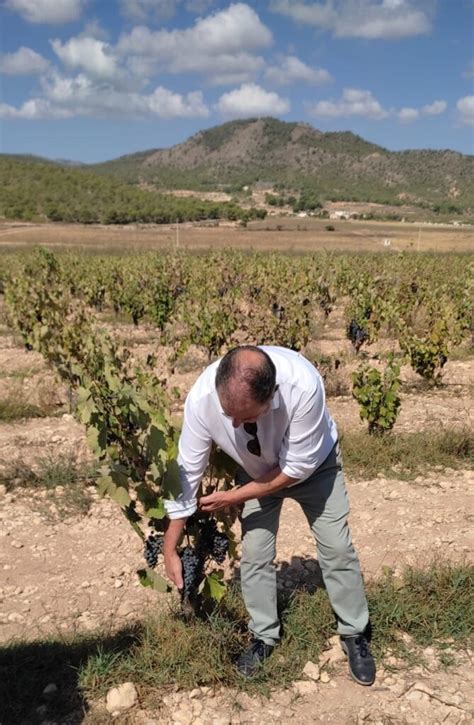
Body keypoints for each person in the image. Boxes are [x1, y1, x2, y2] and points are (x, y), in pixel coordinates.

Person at [163, 345, 376, 685]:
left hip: (315, 467)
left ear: (272, 395)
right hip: (255, 469)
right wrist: (170, 545)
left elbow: (296, 468)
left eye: (245, 418)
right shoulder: (203, 396)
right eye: (227, 413)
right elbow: (187, 472)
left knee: (336, 548)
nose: (233, 423)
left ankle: (355, 633)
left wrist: (234, 496)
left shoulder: (303, 386)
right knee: (255, 555)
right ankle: (263, 636)